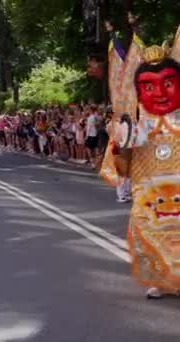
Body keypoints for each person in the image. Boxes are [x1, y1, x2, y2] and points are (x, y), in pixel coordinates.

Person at [105, 22, 180, 299]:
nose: (159, 93)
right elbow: (122, 171)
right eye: (149, 86)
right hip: (149, 200)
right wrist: (120, 150)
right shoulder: (134, 129)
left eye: (168, 84)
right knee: (151, 237)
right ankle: (160, 281)